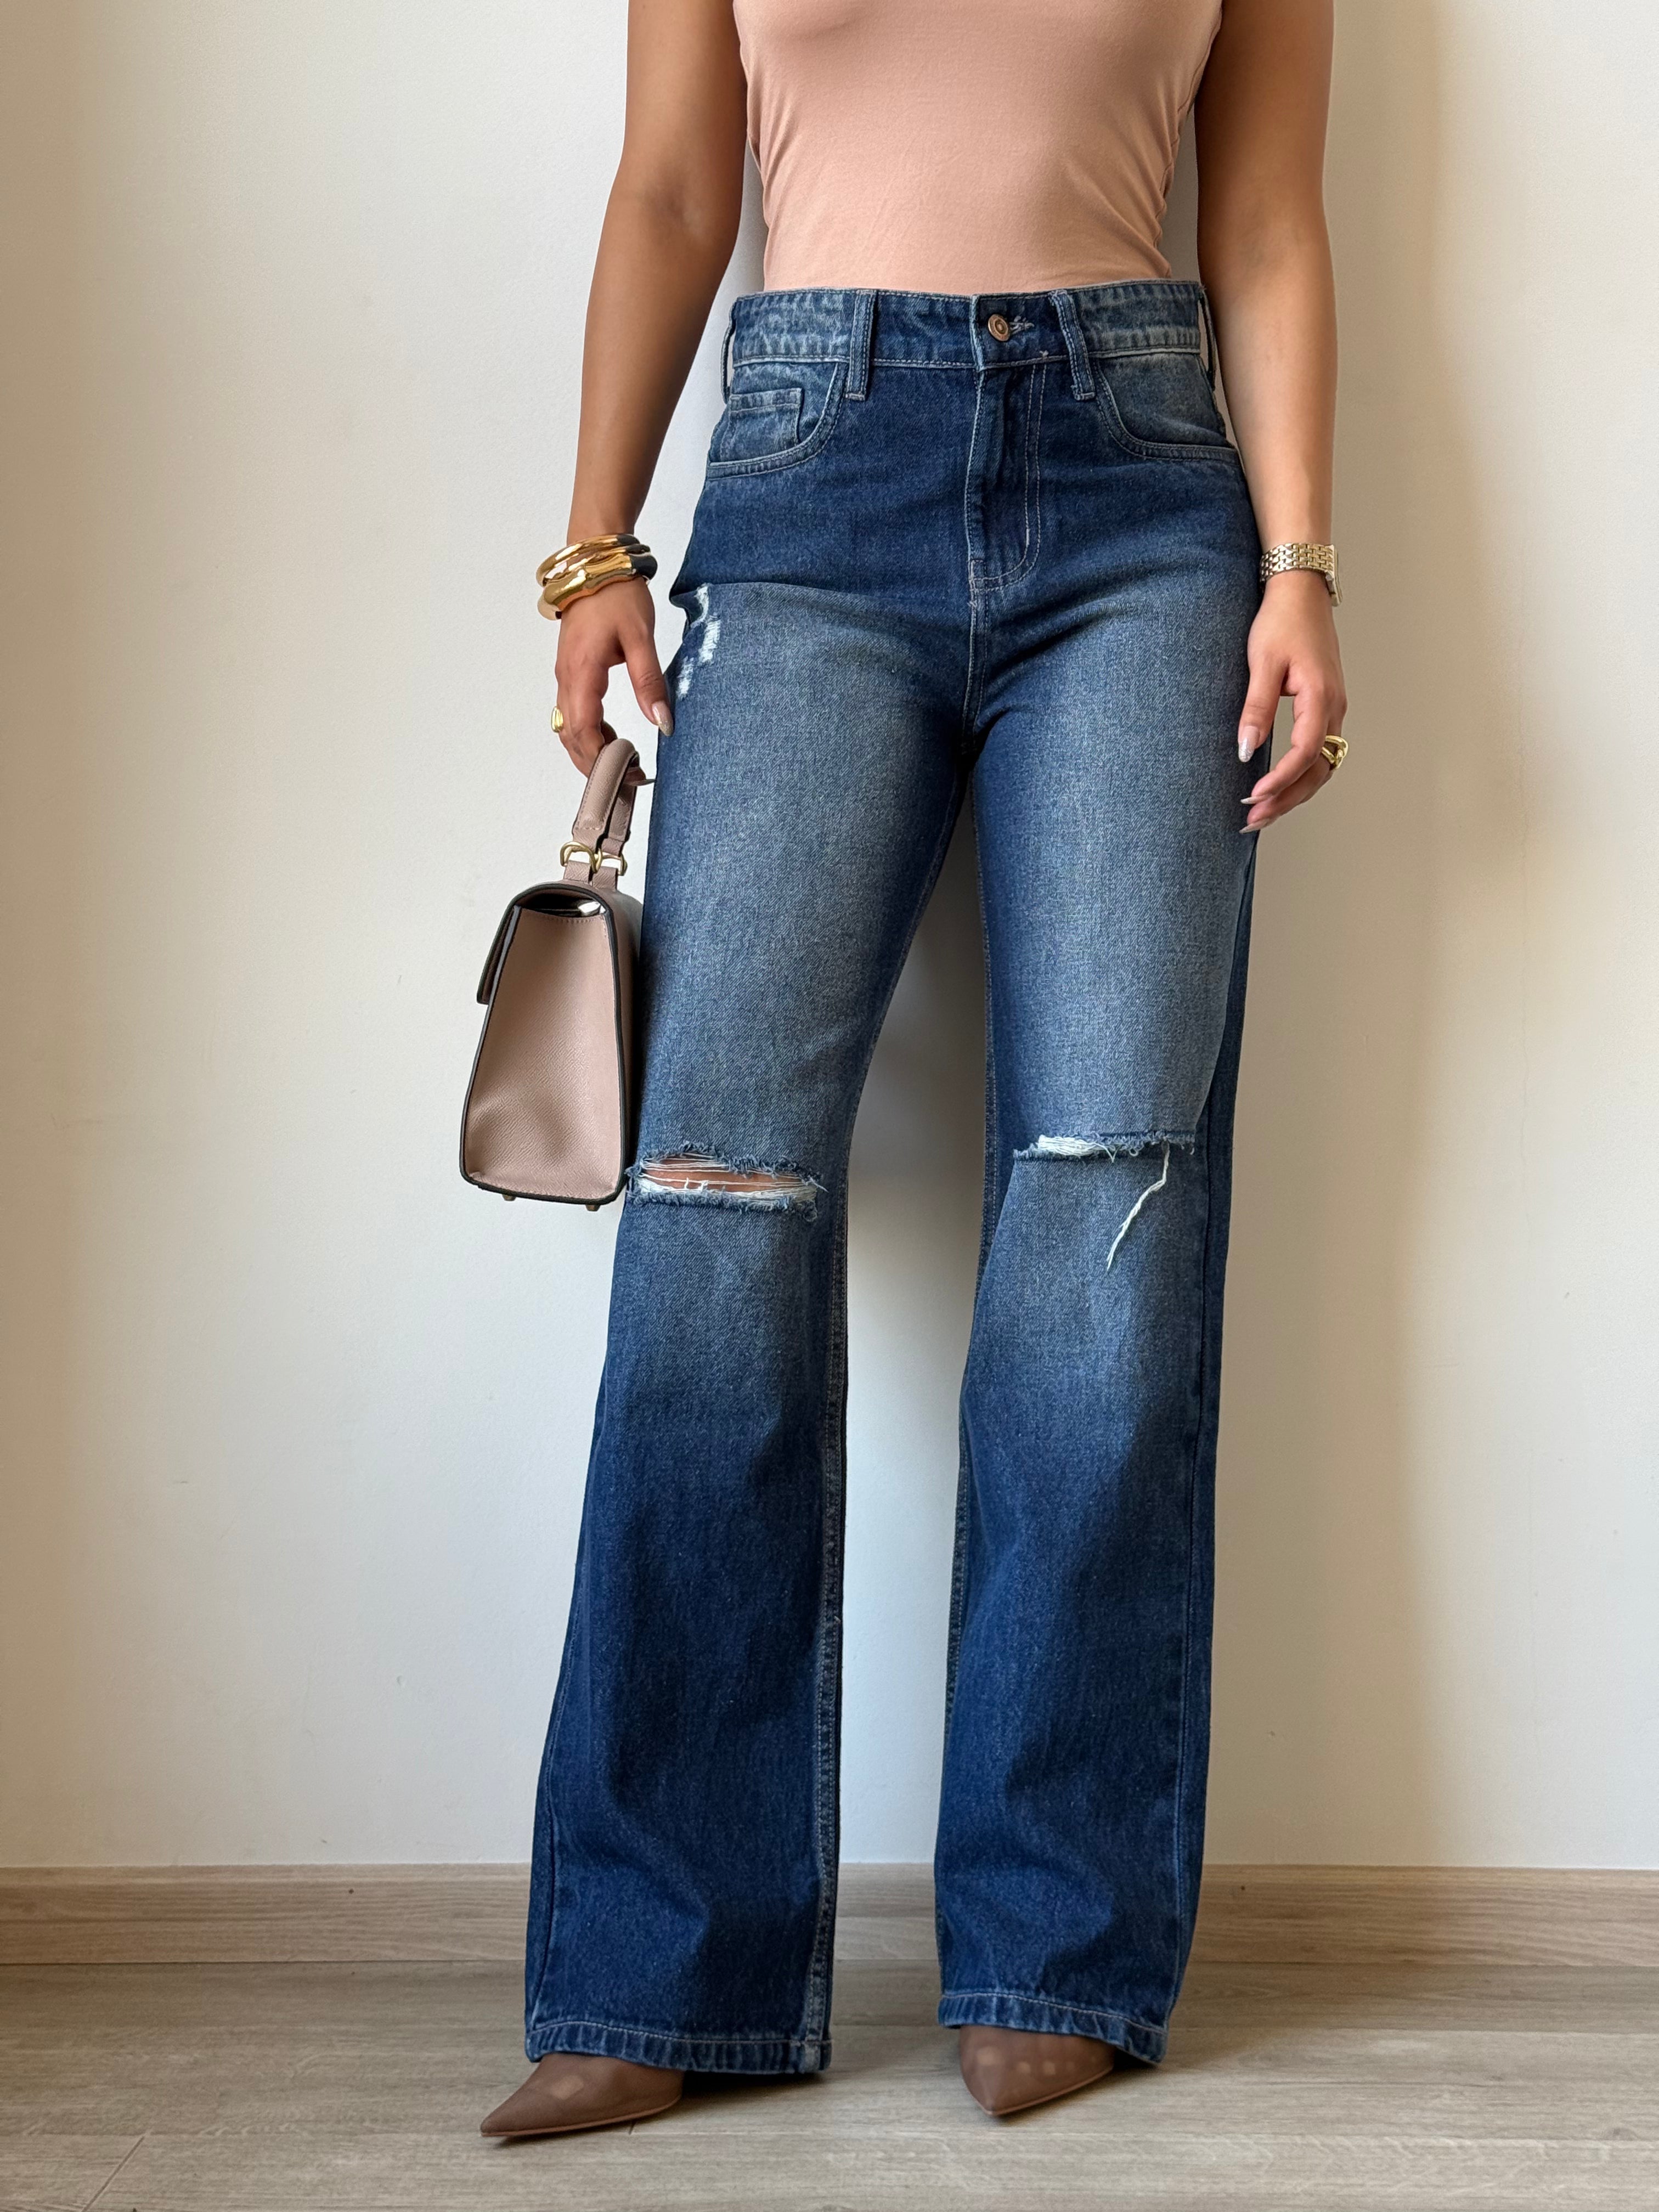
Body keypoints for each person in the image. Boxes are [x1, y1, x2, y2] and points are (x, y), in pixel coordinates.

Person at [482, 0, 1347, 2140]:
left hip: (1148, 508)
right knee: (717, 1205)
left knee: (1109, 1196)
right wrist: (595, 547)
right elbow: (673, 191)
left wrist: (1305, 560)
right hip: (808, 483)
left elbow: (1261, 217)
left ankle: (1060, 1936)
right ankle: (661, 1964)